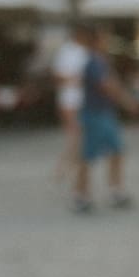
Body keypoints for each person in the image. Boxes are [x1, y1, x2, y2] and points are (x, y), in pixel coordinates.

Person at [73, 26, 134, 212]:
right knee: (89, 154)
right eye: (104, 39)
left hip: (101, 112)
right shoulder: (94, 62)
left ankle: (114, 190)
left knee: (115, 151)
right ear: (97, 41)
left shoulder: (99, 61)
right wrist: (126, 101)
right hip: (95, 113)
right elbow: (106, 85)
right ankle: (82, 194)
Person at [51, 26, 90, 182]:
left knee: (77, 134)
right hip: (70, 98)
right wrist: (75, 80)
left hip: (80, 98)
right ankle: (63, 167)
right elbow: (58, 75)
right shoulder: (67, 51)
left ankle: (69, 165)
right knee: (75, 134)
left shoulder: (84, 51)